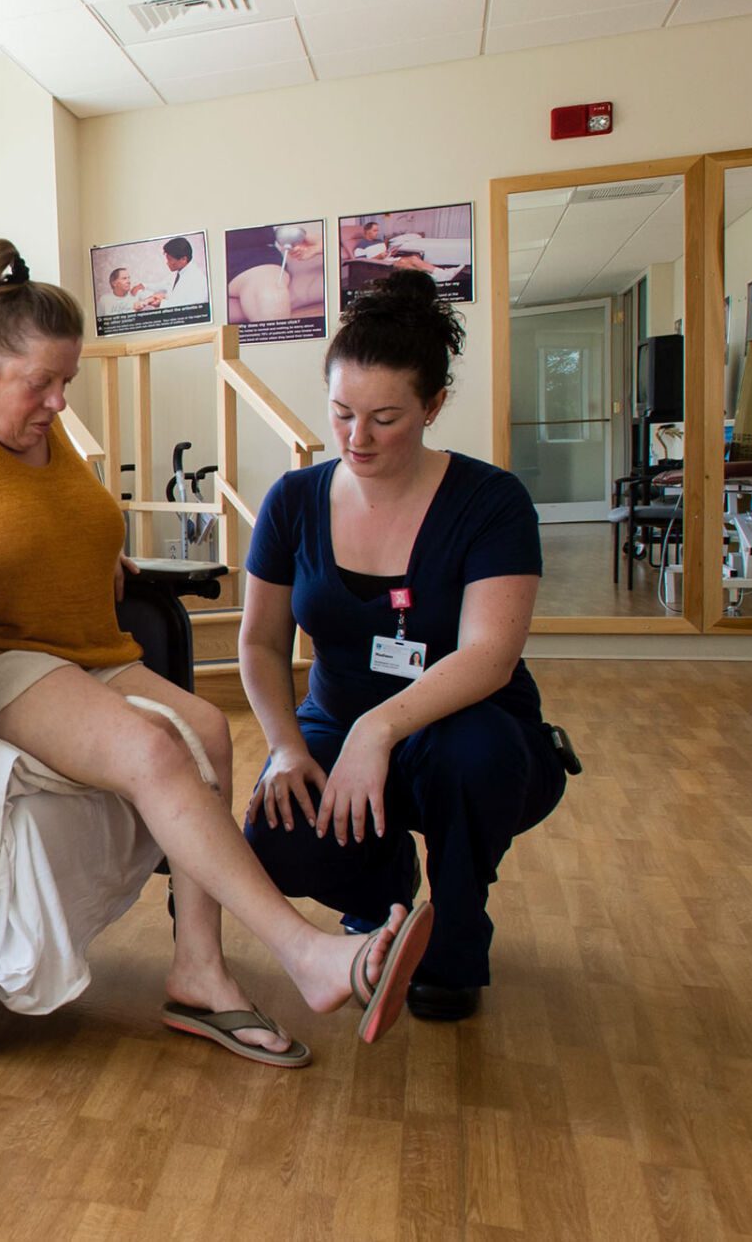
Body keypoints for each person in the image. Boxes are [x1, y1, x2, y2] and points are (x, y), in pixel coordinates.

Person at [0, 239, 433, 1067]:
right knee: (151, 747)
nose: (55, 401)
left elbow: (55, 516)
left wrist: (97, 556)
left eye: (64, 381)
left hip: (87, 644)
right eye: (39, 382)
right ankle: (312, 954)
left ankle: (200, 973)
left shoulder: (42, 433)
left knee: (209, 731)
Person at [236, 270, 567, 1023]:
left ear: (434, 405)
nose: (358, 439)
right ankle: (383, 897)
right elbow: (258, 642)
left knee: (470, 756)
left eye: (385, 418)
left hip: (470, 727)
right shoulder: (293, 502)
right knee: (276, 833)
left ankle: (455, 924)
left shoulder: (491, 501)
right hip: (337, 723)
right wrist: (287, 746)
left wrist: (377, 729)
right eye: (342, 413)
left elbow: (490, 656)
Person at [157, 236, 206, 310]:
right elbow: (165, 285)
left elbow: (189, 309)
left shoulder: (198, 280)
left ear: (183, 259)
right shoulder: (180, 272)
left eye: (170, 260)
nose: (167, 263)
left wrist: (162, 303)